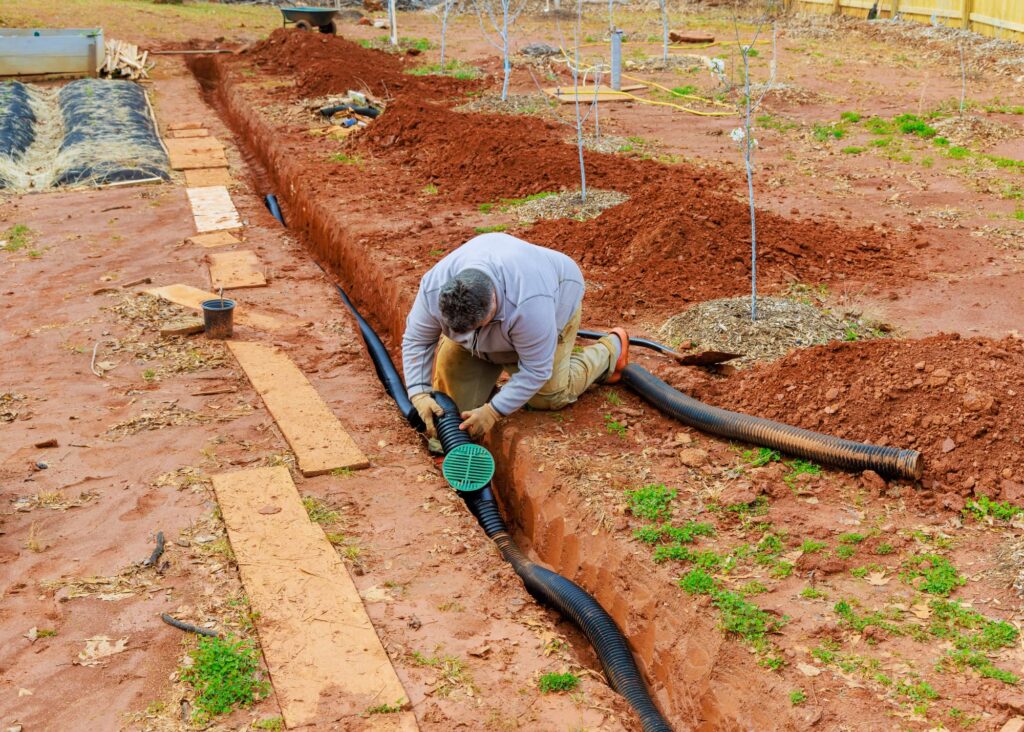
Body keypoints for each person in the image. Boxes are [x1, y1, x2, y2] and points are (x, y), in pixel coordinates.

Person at [402, 232, 628, 440]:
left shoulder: (530, 305)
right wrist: (419, 393)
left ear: (492, 303)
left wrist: (493, 411)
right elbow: (417, 340)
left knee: (549, 396)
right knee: (454, 410)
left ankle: (609, 351)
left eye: (475, 328)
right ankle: (483, 375)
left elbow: (536, 369)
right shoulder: (433, 287)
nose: (468, 335)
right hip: (492, 332)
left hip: (557, 300)